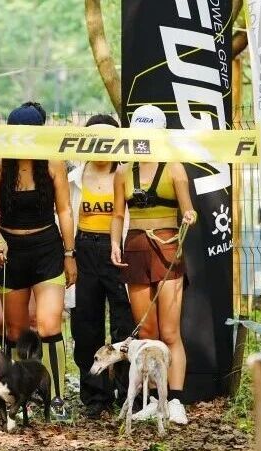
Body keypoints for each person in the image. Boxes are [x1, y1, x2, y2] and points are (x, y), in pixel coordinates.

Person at [0, 101, 77, 418]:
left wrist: (69, 253)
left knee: (49, 324)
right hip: (10, 250)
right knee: (14, 330)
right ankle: (15, 395)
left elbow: (65, 210)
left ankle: (57, 397)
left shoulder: (53, 163)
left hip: (47, 247)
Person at [109, 104, 197, 424]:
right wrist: (114, 243)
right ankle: (151, 400)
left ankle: (175, 400)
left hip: (167, 248)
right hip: (135, 248)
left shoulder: (174, 168)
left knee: (170, 331)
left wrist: (189, 217)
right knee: (147, 332)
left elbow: (189, 209)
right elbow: (118, 214)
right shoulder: (123, 171)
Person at [69, 114, 133, 416]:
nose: (101, 146)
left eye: (107, 140)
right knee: (85, 325)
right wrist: (68, 254)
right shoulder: (75, 176)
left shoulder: (126, 173)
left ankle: (127, 391)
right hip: (83, 249)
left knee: (124, 322)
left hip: (118, 250)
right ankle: (95, 395)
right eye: (95, 139)